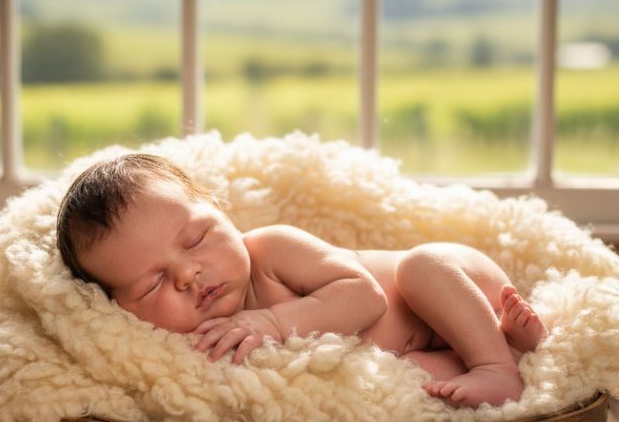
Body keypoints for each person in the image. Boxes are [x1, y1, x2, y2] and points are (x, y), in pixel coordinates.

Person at [56, 153, 546, 407]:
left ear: (221, 212)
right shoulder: (189, 345)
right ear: (120, 309)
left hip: (454, 288)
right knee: (414, 380)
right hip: (426, 347)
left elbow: (366, 298)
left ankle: (494, 365)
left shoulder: (270, 251)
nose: (188, 274)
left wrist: (271, 319)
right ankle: (512, 350)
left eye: (196, 238)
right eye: (151, 285)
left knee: (421, 266)